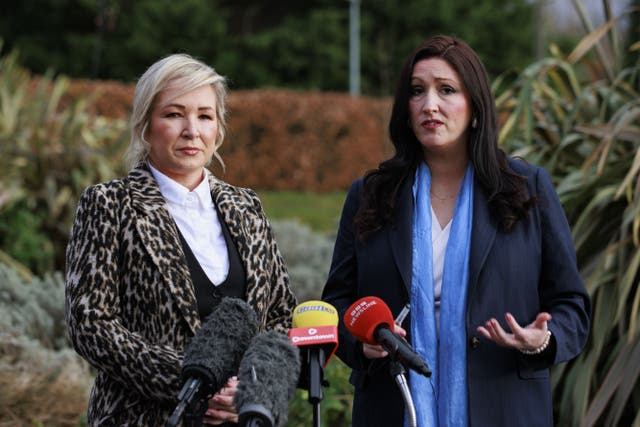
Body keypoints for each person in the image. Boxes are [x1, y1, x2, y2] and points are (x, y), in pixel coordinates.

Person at [322, 35, 591, 426]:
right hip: (393, 408)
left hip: (505, 409)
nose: (429, 104)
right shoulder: (371, 195)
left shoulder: (526, 189)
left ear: (475, 106)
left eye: (446, 90)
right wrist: (362, 344)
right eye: (417, 92)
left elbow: (573, 306)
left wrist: (544, 340)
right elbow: (338, 305)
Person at [65, 53, 297, 426]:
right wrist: (194, 383)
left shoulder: (247, 206)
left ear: (218, 127)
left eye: (205, 115)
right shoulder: (109, 204)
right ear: (145, 125)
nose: (192, 130)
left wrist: (251, 392)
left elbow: (281, 315)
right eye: (174, 114)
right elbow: (90, 324)